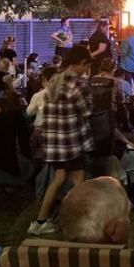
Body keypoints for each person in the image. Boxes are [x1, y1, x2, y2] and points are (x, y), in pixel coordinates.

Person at [30, 46, 94, 235]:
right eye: (86, 66)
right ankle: (80, 219)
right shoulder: (78, 83)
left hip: (54, 140)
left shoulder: (54, 80)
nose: (86, 71)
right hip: (72, 140)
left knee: (58, 179)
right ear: (82, 63)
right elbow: (86, 111)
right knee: (78, 179)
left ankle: (40, 221)